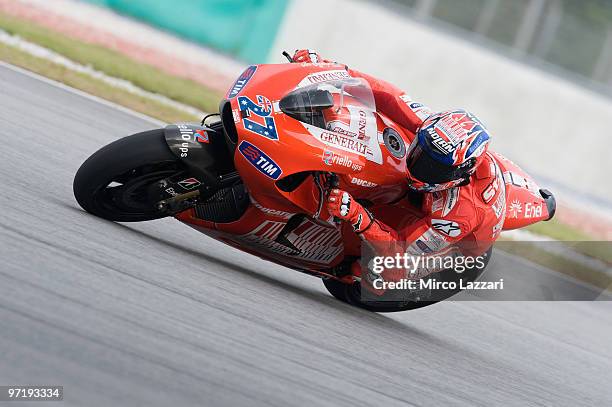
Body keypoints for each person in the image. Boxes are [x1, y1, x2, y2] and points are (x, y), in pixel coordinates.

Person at [292, 49, 506, 286]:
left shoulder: (458, 216)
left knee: (379, 275)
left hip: (457, 246)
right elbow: (387, 94)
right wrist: (326, 68)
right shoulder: (433, 128)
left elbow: (400, 256)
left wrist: (356, 214)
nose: (421, 166)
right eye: (422, 152)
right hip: (434, 191)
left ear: (459, 174)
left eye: (434, 167)